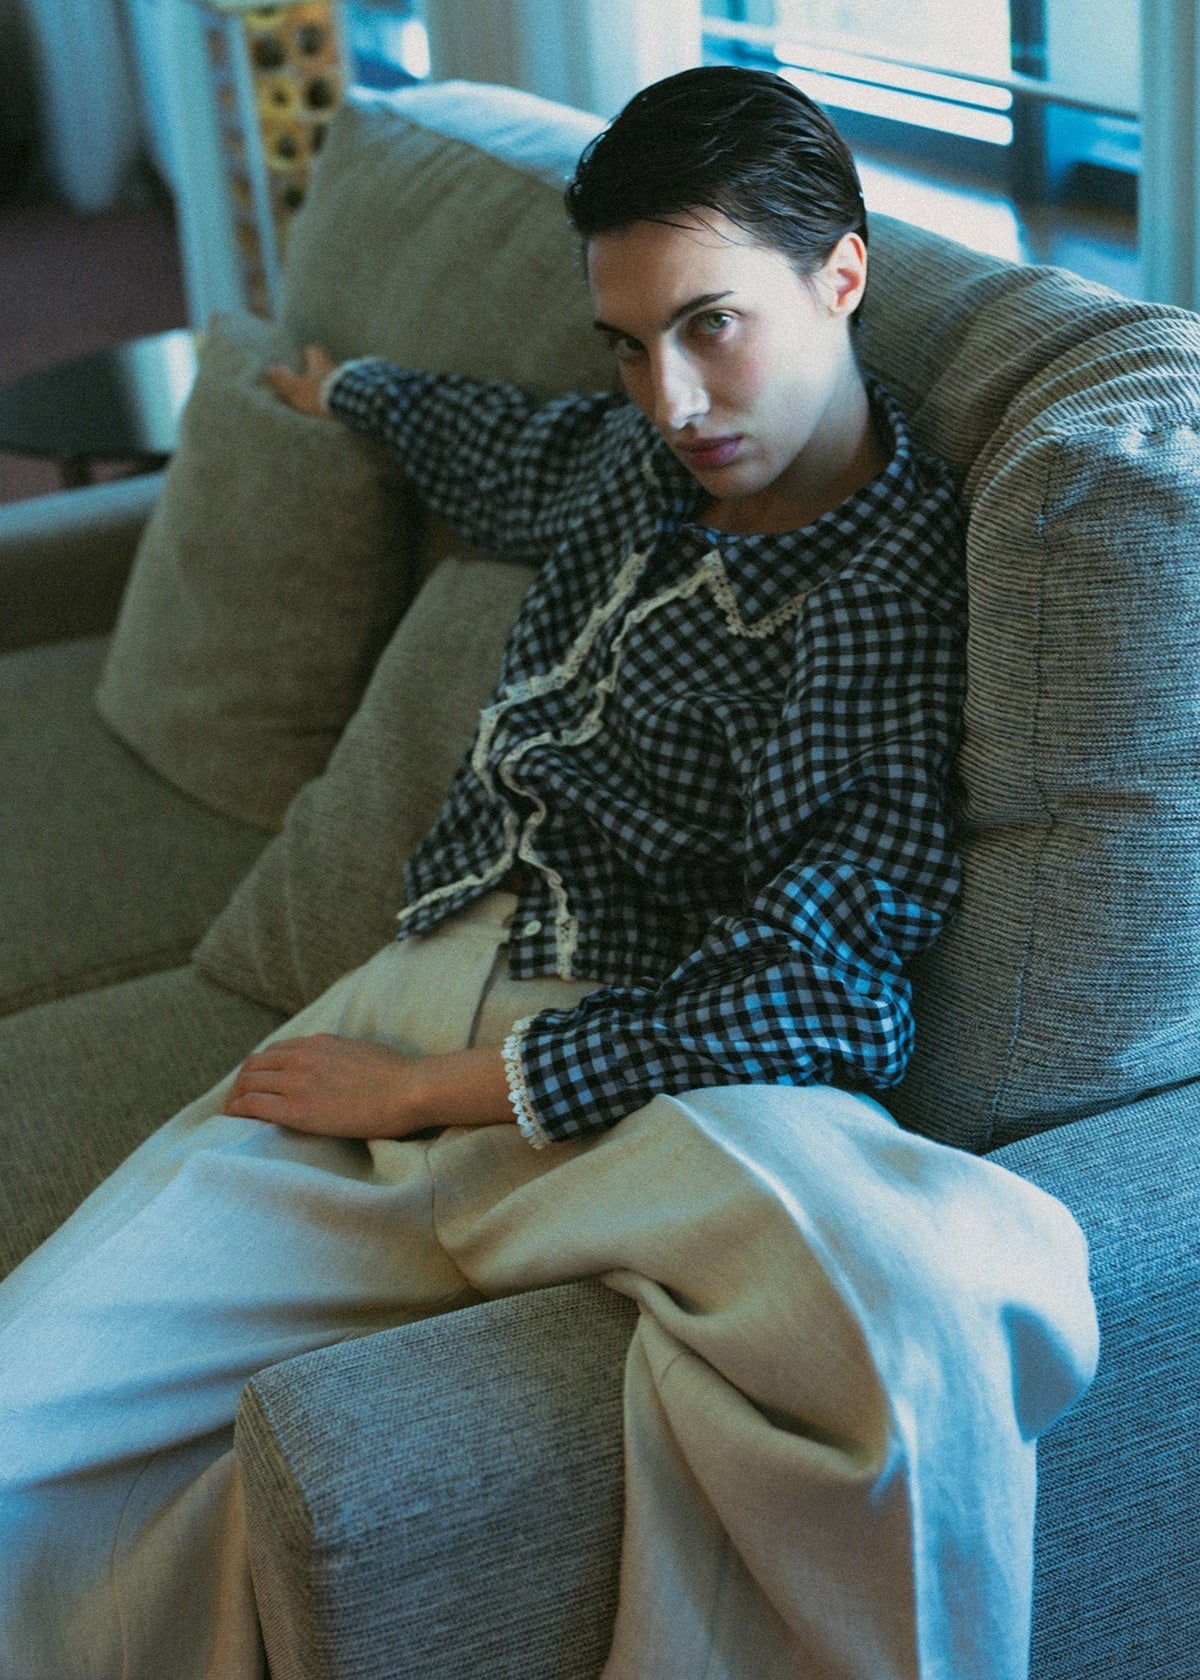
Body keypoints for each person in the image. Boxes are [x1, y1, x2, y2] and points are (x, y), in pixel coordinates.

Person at [0, 67, 1097, 1680]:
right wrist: (343, 393)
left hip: (631, 1076)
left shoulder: (871, 591)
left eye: (713, 323)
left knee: (907, 1316)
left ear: (841, 277)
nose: (674, 395)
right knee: (24, 1413)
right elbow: (488, 437)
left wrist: (430, 1091)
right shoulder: (632, 459)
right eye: (630, 342)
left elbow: (824, 997)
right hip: (413, 994)